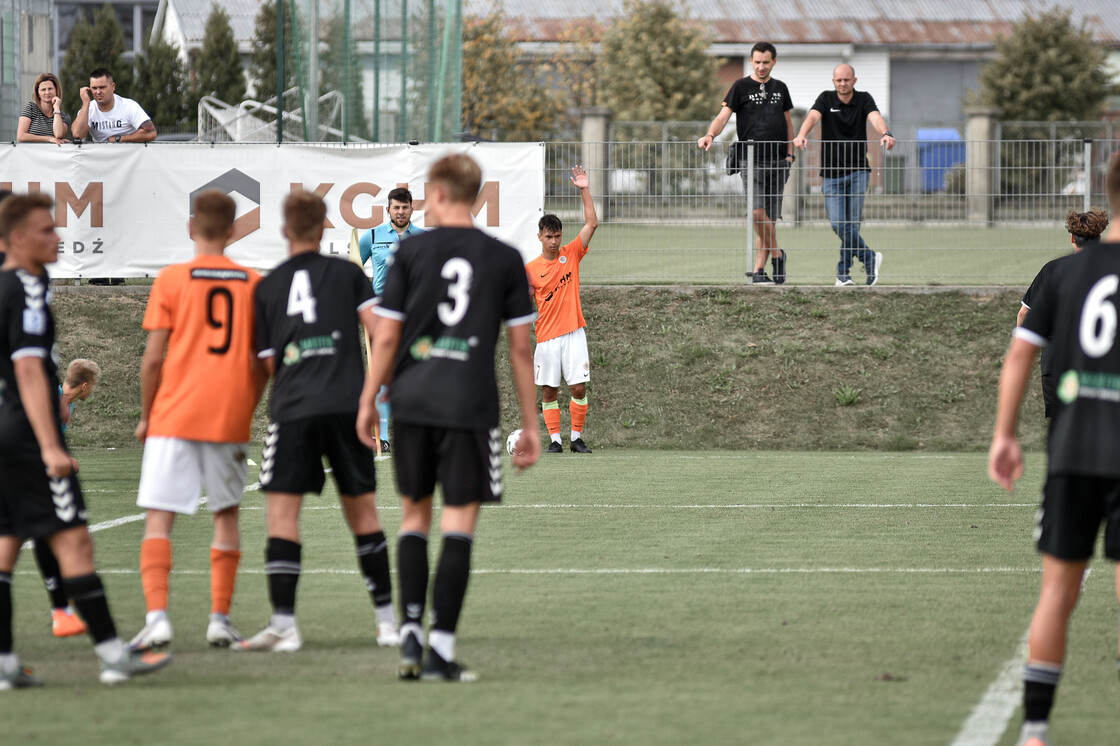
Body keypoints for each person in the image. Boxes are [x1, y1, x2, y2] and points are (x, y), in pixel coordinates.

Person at [357, 153, 540, 681]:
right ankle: (439, 646)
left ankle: (410, 632)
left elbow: (386, 335)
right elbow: (521, 349)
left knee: (414, 518)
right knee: (459, 523)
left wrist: (369, 400)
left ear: (435, 195)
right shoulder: (504, 257)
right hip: (470, 406)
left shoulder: (410, 253)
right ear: (476, 195)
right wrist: (531, 425)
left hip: (412, 402)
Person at [0, 194, 170, 687]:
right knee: (74, 542)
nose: (56, 236)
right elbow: (30, 369)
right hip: (28, 437)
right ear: (15, 239)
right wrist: (51, 445)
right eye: (45, 230)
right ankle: (114, 656)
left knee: (6, 546)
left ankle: (6, 666)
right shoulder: (28, 287)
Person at [988, 153, 1120, 746]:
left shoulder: (1063, 273)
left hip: (1071, 448)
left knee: (1057, 590)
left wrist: (1004, 435)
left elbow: (1019, 352)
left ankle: (1036, 730)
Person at [235, 192, 399, 653]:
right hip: (348, 409)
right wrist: (370, 397)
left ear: (285, 230)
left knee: (282, 518)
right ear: (325, 226)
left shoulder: (266, 288)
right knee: (364, 515)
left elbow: (265, 366)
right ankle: (387, 624)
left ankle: (285, 625)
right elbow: (383, 332)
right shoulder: (348, 274)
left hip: (293, 412)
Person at [127, 190, 266, 653]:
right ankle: (219, 619)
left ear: (192, 228)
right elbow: (261, 361)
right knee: (225, 514)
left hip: (173, 414)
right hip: (226, 415)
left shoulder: (170, 279)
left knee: (159, 518)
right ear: (232, 231)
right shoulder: (252, 282)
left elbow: (152, 360)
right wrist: (245, 405)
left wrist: (147, 416)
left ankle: (157, 618)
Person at [698, 41, 794, 285]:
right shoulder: (740, 86)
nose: (761, 67)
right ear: (752, 61)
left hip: (779, 160)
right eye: (757, 62)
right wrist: (710, 134)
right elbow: (723, 116)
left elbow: (788, 123)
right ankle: (778, 254)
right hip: (751, 160)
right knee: (757, 213)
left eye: (766, 62)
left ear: (774, 62)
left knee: (769, 219)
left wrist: (790, 154)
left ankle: (760, 271)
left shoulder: (781, 88)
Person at [792, 64, 895, 286]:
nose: (843, 84)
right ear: (833, 81)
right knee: (840, 225)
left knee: (851, 225)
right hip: (831, 174)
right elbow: (811, 117)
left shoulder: (864, 99)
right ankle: (869, 257)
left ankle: (843, 275)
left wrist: (885, 133)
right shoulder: (826, 99)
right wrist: (801, 134)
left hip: (858, 172)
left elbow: (875, 117)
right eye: (839, 80)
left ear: (854, 81)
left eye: (847, 80)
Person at [526, 166, 598, 454]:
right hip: (546, 338)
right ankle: (555, 441)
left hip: (574, 333)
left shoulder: (572, 253)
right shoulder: (530, 269)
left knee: (579, 388)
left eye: (557, 236)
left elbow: (592, 224)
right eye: (549, 237)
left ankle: (576, 438)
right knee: (549, 390)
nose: (554, 241)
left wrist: (584, 189)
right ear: (540, 237)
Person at [30, 358, 102, 639]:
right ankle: (64, 607)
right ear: (84, 384)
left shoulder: (66, 404)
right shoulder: (52, 399)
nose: (92, 390)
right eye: (92, 386)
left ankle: (62, 607)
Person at [1017, 210, 1110, 417]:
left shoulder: (1052, 270)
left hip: (1056, 361)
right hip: (1098, 362)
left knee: (1063, 427)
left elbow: (1024, 314)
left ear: (1072, 238)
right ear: (1100, 239)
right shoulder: (1111, 270)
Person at [357, 187, 426, 452]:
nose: (400, 212)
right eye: (395, 207)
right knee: (382, 375)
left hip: (413, 318)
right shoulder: (371, 236)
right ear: (388, 210)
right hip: (381, 318)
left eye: (405, 207)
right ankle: (382, 437)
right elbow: (355, 271)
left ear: (412, 209)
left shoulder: (423, 238)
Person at [70, 68, 157, 144]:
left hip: (129, 160)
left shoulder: (128, 106)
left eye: (102, 87)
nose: (98, 92)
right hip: (101, 160)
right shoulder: (88, 109)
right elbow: (77, 134)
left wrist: (120, 139)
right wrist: (85, 103)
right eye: (94, 88)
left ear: (113, 87)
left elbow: (151, 133)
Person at [17, 73, 70, 145]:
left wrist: (56, 108)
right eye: (43, 90)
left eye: (50, 89)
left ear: (56, 91)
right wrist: (49, 139)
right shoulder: (31, 108)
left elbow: (58, 135)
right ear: (38, 93)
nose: (47, 92)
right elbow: (21, 137)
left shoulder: (64, 117)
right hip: (30, 155)